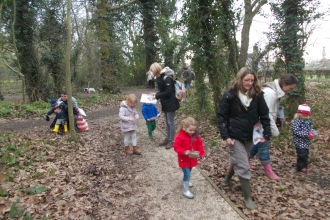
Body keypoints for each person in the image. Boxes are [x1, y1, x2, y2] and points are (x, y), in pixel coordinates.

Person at [217, 67, 271, 210]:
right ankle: (247, 197)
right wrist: (225, 135)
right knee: (243, 164)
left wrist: (267, 134)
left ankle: (228, 178)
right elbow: (222, 116)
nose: (249, 83)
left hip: (250, 135)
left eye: (252, 80)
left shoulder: (258, 95)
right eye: (246, 80)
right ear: (240, 79)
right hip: (234, 134)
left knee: (239, 158)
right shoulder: (230, 95)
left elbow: (264, 115)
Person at [249, 74, 298, 181]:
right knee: (264, 146)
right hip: (261, 124)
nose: (290, 90)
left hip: (263, 124)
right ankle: (269, 171)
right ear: (284, 84)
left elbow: (273, 110)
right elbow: (267, 115)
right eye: (290, 88)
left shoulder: (275, 92)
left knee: (258, 143)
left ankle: (246, 159)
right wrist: (274, 131)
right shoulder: (270, 93)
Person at [173, 117, 206, 199]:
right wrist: (184, 151)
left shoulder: (195, 136)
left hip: (192, 158)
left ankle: (186, 181)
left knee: (189, 172)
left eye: (194, 130)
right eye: (190, 130)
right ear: (184, 128)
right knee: (187, 173)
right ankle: (185, 190)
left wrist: (202, 154)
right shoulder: (180, 136)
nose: (192, 132)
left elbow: (199, 145)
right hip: (183, 159)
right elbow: (176, 147)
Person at [150, 63, 180, 149]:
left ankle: (172, 140)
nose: (151, 72)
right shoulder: (160, 77)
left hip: (171, 103)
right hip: (166, 103)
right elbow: (162, 90)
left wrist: (157, 96)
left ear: (155, 70)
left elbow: (168, 92)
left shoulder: (167, 78)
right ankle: (168, 138)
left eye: (152, 70)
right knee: (167, 122)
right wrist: (156, 94)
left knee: (170, 122)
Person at [292, 104, 317, 173]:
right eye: (304, 115)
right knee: (302, 153)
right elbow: (296, 131)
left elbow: (311, 128)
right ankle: (301, 167)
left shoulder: (308, 122)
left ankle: (304, 166)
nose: (305, 117)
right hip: (299, 141)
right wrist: (306, 135)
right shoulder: (297, 122)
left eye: (306, 116)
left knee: (305, 153)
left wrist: (313, 133)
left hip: (306, 141)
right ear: (299, 114)